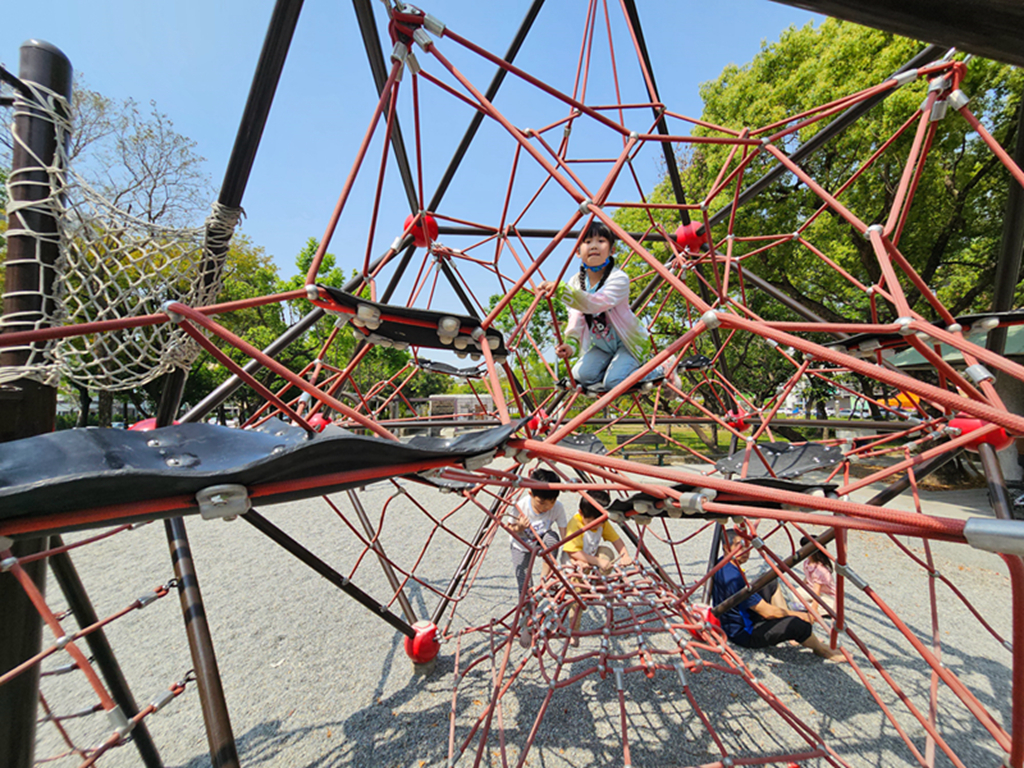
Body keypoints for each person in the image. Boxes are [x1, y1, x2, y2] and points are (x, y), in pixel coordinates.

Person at [537, 221, 670, 393]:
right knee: (580, 376)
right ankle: (617, 372)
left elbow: (595, 303)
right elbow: (576, 316)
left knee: (613, 383)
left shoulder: (619, 279)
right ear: (577, 252)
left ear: (612, 250)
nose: (593, 246)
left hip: (629, 344)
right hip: (602, 345)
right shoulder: (575, 282)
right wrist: (571, 344)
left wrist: (560, 290)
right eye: (587, 242)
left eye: (601, 241)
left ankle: (662, 367)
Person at [711, 528, 844, 661]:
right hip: (744, 634)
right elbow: (767, 612)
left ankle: (787, 627)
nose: (746, 551)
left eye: (747, 546)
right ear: (726, 547)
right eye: (739, 546)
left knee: (770, 582)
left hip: (729, 621)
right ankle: (821, 650)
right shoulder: (735, 578)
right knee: (799, 625)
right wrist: (802, 615)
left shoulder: (722, 563)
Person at [508, 468, 568, 601]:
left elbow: (564, 531)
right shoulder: (521, 506)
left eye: (551, 502)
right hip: (521, 545)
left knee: (553, 539)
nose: (546, 507)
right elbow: (510, 527)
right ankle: (526, 608)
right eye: (541, 503)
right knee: (524, 580)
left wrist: (568, 551)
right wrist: (520, 527)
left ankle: (544, 576)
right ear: (530, 493)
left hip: (541, 539)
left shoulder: (557, 507)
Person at [562, 490, 633, 572]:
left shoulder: (602, 522)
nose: (597, 526)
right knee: (579, 575)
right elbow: (573, 552)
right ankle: (574, 582)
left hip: (590, 558)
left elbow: (615, 539)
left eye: (601, 522)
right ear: (581, 513)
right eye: (591, 522)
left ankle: (599, 582)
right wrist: (598, 561)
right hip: (574, 562)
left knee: (606, 553)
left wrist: (625, 555)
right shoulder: (576, 523)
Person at [794, 536, 836, 611]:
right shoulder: (807, 563)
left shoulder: (820, 570)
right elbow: (807, 578)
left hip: (827, 595)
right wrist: (801, 588)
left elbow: (817, 590)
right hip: (812, 589)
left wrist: (814, 608)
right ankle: (808, 605)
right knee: (793, 595)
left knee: (830, 606)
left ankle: (810, 607)